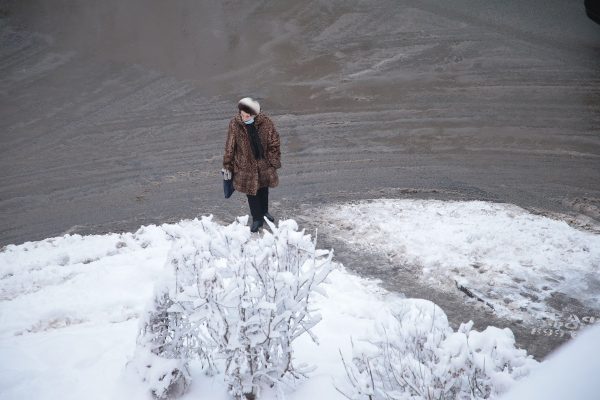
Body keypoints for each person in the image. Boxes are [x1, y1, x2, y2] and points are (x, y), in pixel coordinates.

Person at [222, 97, 281, 232]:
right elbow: (230, 146)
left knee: (263, 189)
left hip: (263, 164)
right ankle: (257, 218)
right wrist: (227, 164)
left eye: (247, 116)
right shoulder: (234, 124)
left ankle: (265, 212)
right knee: (251, 193)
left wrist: (272, 159)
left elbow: (274, 142)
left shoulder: (266, 123)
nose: (244, 118)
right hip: (245, 166)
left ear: (255, 114)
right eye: (242, 114)